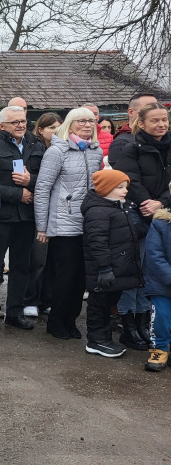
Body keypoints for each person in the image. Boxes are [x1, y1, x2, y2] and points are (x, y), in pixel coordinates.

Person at [33, 107, 104, 339]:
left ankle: (71, 320)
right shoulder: (57, 151)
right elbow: (43, 189)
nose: (87, 125)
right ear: (71, 124)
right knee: (65, 275)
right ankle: (56, 321)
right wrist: (42, 226)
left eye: (91, 121)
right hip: (63, 223)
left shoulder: (95, 151)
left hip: (88, 223)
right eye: (81, 121)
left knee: (81, 277)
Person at [0, 105, 44, 331]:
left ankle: (15, 312)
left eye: (23, 121)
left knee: (21, 267)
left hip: (26, 217)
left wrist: (30, 183)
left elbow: (45, 178)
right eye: (15, 122)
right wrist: (18, 194)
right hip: (0, 216)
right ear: (2, 125)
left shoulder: (36, 145)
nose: (21, 125)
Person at [112, 101, 171, 350]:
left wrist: (161, 202)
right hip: (137, 213)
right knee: (133, 269)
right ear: (142, 123)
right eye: (155, 120)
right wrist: (147, 202)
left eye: (164, 120)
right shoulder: (131, 147)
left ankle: (147, 323)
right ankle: (129, 325)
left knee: (154, 272)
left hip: (165, 214)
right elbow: (130, 179)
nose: (161, 124)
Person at [81, 169, 141, 358]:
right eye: (120, 187)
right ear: (106, 189)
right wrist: (105, 268)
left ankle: (104, 338)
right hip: (103, 271)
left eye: (126, 187)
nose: (125, 191)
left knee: (108, 304)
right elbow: (97, 242)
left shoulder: (118, 208)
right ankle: (96, 341)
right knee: (99, 304)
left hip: (117, 269)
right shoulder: (98, 212)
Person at [24, 112, 63, 317]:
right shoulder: (35, 148)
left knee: (53, 260)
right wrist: (30, 181)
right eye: (52, 127)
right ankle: (30, 298)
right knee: (37, 259)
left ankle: (47, 298)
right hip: (36, 210)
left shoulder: (65, 149)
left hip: (58, 210)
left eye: (59, 127)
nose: (56, 131)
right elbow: (35, 179)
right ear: (40, 129)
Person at [143, 206, 171, 372]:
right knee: (161, 317)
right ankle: (159, 349)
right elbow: (154, 255)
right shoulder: (160, 223)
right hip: (162, 284)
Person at [108, 92, 159, 167]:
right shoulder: (121, 143)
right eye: (148, 109)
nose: (154, 113)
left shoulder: (162, 138)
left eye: (156, 108)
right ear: (131, 112)